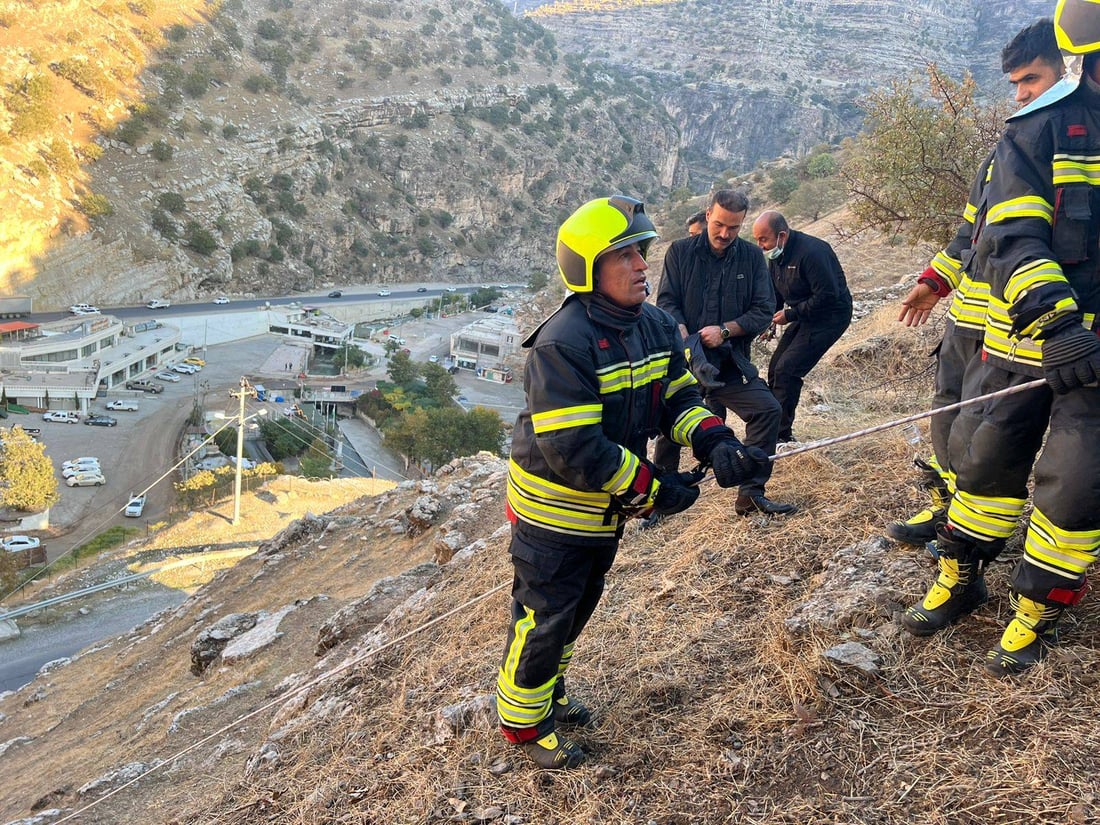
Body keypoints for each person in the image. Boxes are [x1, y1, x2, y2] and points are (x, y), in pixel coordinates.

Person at [496, 195, 766, 768]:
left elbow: (677, 397)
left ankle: (549, 692)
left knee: (580, 606)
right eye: (624, 255)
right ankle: (521, 725)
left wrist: (714, 439)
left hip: (602, 511)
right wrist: (654, 489)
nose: (642, 264)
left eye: (641, 252)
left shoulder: (655, 325)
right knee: (545, 616)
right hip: (553, 513)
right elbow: (573, 448)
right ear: (589, 269)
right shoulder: (562, 343)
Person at [902, 0, 1100, 676]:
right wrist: (1062, 325)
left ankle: (1038, 608)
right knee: (983, 467)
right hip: (1025, 347)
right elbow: (1008, 238)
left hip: (1096, 369)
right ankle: (961, 576)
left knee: (1074, 490)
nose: (1019, 92)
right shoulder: (1041, 130)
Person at [887, 18, 1065, 546]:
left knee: (987, 440)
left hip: (1020, 332)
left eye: (1031, 78)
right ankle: (945, 506)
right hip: (968, 319)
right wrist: (933, 283)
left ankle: (975, 535)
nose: (1021, 92)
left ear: (1069, 70)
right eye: (1014, 84)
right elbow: (972, 234)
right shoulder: (1002, 154)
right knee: (948, 419)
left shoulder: (1072, 150)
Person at [655, 189, 796, 516]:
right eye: (719, 224)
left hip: (729, 362)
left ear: (742, 224)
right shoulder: (679, 252)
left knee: (768, 411)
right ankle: (661, 504)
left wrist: (725, 330)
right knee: (669, 426)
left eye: (733, 228)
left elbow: (764, 309)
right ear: (707, 216)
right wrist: (685, 338)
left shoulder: (751, 257)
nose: (724, 234)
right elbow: (666, 304)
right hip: (683, 361)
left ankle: (750, 495)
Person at [751, 211, 853, 445]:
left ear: (782, 235)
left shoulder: (813, 252)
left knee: (788, 369)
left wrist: (790, 314)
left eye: (763, 239)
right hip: (804, 315)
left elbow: (828, 296)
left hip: (830, 316)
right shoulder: (776, 255)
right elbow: (775, 292)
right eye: (757, 240)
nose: (760, 245)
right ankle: (771, 427)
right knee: (776, 367)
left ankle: (781, 436)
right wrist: (769, 321)